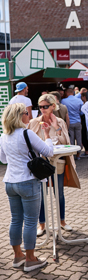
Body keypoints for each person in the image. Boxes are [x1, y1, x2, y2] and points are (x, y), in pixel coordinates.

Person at [0, 103, 53, 272]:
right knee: (31, 221)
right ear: (19, 116)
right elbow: (48, 151)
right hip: (28, 181)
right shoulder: (26, 133)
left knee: (16, 219)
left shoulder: (3, 136)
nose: (29, 115)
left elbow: (4, 159)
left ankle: (18, 256)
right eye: (26, 112)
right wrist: (47, 135)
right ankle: (30, 259)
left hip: (10, 181)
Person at [27, 94, 80, 236]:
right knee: (42, 194)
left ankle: (62, 221)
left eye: (45, 106)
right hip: (41, 163)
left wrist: (56, 128)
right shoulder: (34, 122)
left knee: (59, 193)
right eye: (40, 107)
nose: (43, 109)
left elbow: (65, 142)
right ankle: (42, 224)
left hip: (58, 161)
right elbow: (30, 143)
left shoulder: (60, 122)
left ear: (52, 106)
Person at [61, 88, 83, 159]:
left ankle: (72, 155)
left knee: (71, 139)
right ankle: (78, 154)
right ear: (73, 93)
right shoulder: (79, 100)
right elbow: (82, 112)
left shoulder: (64, 101)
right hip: (77, 121)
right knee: (79, 138)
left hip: (69, 122)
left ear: (67, 93)